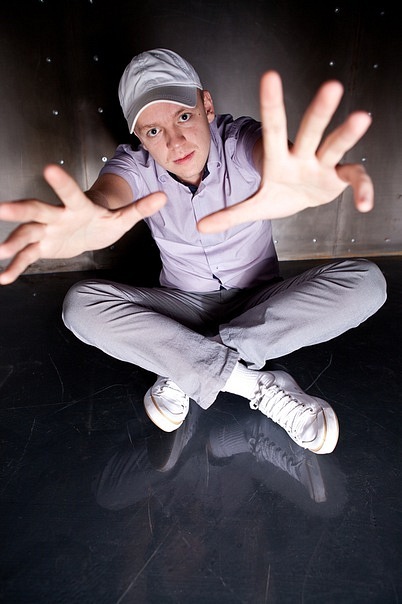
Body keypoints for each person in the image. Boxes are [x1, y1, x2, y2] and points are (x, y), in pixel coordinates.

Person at [0, 48, 386, 454]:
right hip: (182, 306)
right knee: (80, 306)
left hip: (262, 302)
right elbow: (107, 195)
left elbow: (274, 157)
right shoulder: (134, 166)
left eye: (184, 116)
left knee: (367, 283)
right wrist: (94, 211)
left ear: (207, 106)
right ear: (140, 138)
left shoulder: (240, 139)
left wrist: (290, 168)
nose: (175, 141)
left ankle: (182, 361)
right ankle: (254, 384)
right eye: (153, 131)